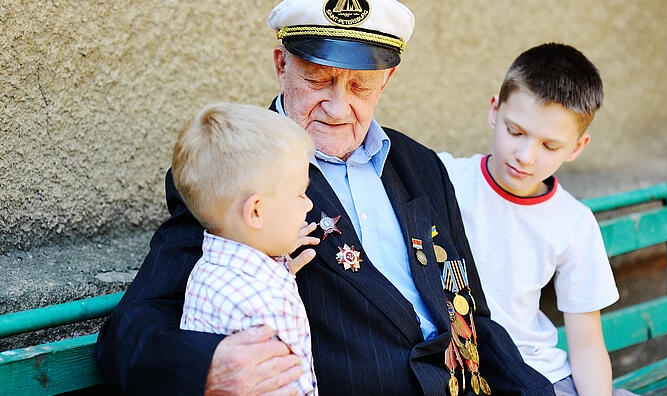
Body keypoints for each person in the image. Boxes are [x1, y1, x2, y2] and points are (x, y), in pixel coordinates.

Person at [97, 1, 555, 395]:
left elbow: (474, 315)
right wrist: (207, 367)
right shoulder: (234, 169)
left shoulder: (421, 165)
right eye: (318, 79)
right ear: (282, 65)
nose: (339, 108)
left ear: (387, 78)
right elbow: (133, 327)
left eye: (360, 86)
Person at [439, 43, 635, 396]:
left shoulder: (573, 222)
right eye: (515, 131)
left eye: (550, 146)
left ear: (577, 147)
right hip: (461, 374)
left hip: (541, 375)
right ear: (495, 111)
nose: (525, 156)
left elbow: (587, 344)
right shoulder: (445, 180)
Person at [172, 103, 318, 395]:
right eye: (300, 193)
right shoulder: (267, 305)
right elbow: (286, 386)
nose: (308, 204)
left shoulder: (207, 271)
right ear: (255, 212)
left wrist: (282, 267)